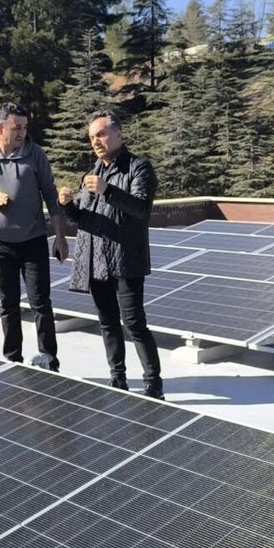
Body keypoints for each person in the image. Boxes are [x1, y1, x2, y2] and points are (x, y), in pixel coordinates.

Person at [59, 110, 164, 399]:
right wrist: (67, 206)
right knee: (107, 323)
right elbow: (84, 219)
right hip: (96, 260)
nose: (96, 141)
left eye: (101, 134)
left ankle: (154, 384)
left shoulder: (139, 168)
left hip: (126, 259)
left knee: (134, 323)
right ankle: (118, 378)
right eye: (92, 137)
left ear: (119, 134)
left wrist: (108, 191)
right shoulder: (92, 172)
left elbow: (141, 208)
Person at [0, 102, 68, 370]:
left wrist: (60, 236)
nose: (22, 133)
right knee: (8, 304)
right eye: (16, 128)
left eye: (25, 127)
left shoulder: (35, 153)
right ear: (0, 128)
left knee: (41, 303)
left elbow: (51, 195)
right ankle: (13, 361)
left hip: (33, 241)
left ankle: (50, 361)